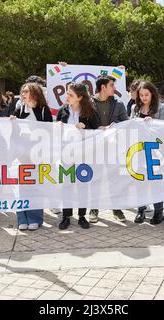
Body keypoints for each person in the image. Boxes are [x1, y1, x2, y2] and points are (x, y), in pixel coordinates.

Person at [56, 82, 101, 230]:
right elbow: (55, 131)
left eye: (70, 95)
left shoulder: (90, 112)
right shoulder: (62, 110)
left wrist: (85, 128)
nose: (67, 96)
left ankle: (82, 215)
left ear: (80, 97)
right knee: (66, 185)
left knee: (83, 185)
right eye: (67, 93)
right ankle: (66, 216)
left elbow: (97, 132)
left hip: (84, 154)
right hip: (66, 154)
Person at [11, 82, 53, 230]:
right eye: (22, 91)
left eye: (26, 91)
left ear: (34, 93)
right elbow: (13, 130)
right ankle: (22, 218)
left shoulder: (43, 110)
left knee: (36, 187)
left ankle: (35, 218)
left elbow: (49, 130)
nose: (23, 94)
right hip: (22, 155)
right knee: (22, 187)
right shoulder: (19, 109)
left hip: (38, 155)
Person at [89, 75, 129, 223]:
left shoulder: (119, 104)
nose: (115, 88)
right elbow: (84, 123)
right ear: (103, 87)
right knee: (95, 179)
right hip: (94, 149)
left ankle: (116, 209)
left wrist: (114, 126)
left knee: (114, 179)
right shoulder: (89, 103)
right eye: (112, 85)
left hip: (114, 148)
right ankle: (93, 209)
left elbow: (126, 122)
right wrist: (97, 128)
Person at [130, 80, 164, 225]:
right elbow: (130, 125)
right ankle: (141, 210)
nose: (144, 97)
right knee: (140, 180)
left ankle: (159, 212)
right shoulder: (134, 108)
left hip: (155, 149)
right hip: (138, 149)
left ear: (152, 94)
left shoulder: (161, 107)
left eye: (147, 94)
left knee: (155, 180)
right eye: (141, 95)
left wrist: (154, 122)